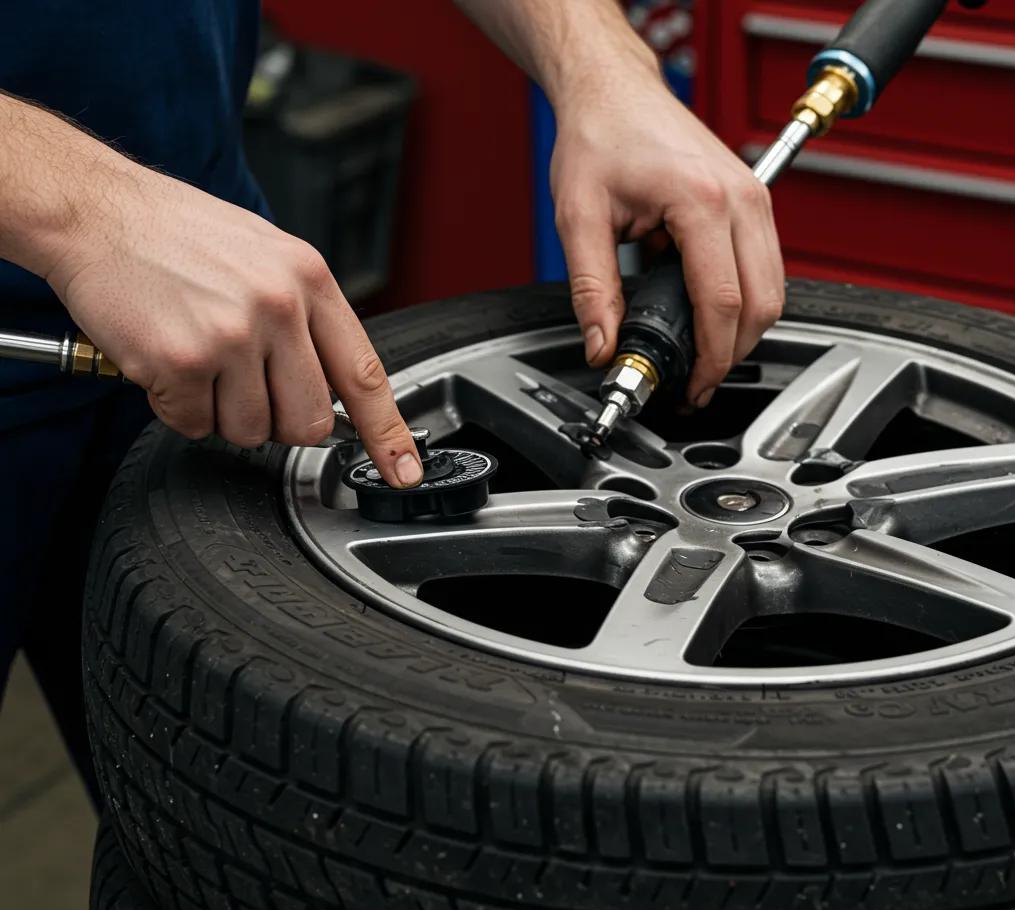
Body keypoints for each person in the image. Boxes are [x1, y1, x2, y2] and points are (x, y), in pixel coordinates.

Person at [0, 0, 783, 798]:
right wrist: (87, 208)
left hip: (212, 297)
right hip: (97, 258)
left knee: (233, 840)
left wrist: (604, 67)